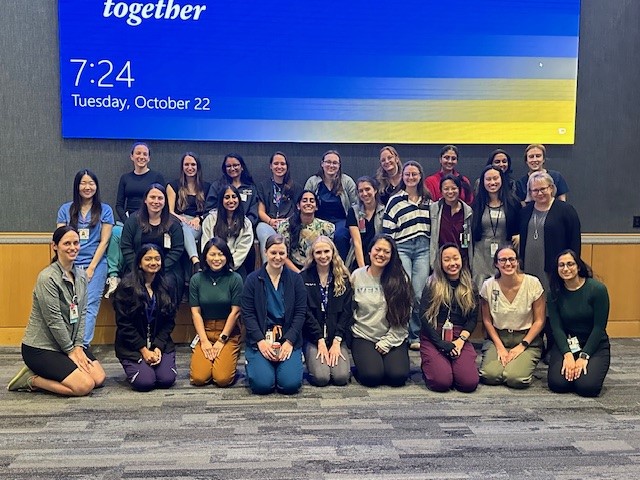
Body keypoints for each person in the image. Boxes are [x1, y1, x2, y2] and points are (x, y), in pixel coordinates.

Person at [7, 226, 106, 395]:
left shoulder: (81, 275)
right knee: (84, 386)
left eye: (76, 243)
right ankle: (31, 380)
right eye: (67, 243)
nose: (73, 247)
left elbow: (82, 313)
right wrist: (70, 351)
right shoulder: (47, 278)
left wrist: (79, 347)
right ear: (55, 246)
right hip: (41, 348)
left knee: (98, 378)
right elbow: (54, 321)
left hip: (68, 344)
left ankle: (63, 367)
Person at [241, 234, 307, 394]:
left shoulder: (296, 280)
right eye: (273, 253)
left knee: (289, 385)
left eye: (281, 253)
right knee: (262, 385)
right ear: (265, 252)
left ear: (287, 254)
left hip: (287, 339)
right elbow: (247, 315)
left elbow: (300, 313)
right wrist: (260, 341)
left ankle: (291, 362)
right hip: (261, 338)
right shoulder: (252, 280)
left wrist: (290, 341)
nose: (277, 257)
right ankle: (255, 363)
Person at [57, 169, 114, 347]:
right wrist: (67, 267)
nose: (87, 187)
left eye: (91, 183)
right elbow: (60, 239)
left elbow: (104, 241)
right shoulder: (65, 209)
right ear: (77, 186)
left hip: (95, 264)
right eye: (83, 183)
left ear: (96, 186)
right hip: (69, 264)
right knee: (68, 305)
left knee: (89, 306)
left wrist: (91, 268)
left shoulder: (105, 210)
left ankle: (83, 346)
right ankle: (67, 345)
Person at [112, 244, 178, 391]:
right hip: (133, 346)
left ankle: (155, 362)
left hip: (159, 343)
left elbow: (170, 320)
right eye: (148, 259)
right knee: (145, 383)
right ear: (139, 263)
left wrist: (158, 347)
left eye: (157, 259)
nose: (153, 263)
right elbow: (124, 324)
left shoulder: (168, 285)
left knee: (166, 380)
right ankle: (141, 366)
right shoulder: (127, 286)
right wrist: (144, 350)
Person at [350, 234, 412, 387]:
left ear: (392, 256)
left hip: (392, 335)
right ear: (370, 251)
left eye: (386, 252)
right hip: (363, 335)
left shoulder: (400, 278)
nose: (381, 254)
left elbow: (404, 316)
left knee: (398, 377)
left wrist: (388, 341)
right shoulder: (357, 276)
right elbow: (349, 310)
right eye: (378, 249)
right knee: (372, 377)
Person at [479, 246, 545, 388]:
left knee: (515, 379)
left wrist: (522, 345)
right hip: (499, 338)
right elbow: (487, 320)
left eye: (511, 259)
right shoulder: (488, 286)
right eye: (503, 260)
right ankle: (507, 363)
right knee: (490, 375)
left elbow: (539, 321)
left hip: (526, 339)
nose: (508, 264)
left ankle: (517, 365)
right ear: (496, 264)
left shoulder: (533, 283)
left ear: (518, 262)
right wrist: (500, 346)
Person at [547, 250, 610, 397]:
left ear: (579, 267)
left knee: (587, 387)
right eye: (561, 265)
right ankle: (573, 369)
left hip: (594, 344)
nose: (566, 269)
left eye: (570, 264)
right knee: (558, 384)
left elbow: (599, 327)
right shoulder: (554, 292)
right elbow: (556, 328)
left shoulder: (597, 289)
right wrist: (568, 355)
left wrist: (584, 356)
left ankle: (583, 371)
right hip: (568, 342)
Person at [105, 142, 165, 297]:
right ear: (132, 156)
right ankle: (113, 276)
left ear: (149, 158)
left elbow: (162, 201)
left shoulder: (156, 176)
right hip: (128, 219)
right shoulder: (125, 178)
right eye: (138, 153)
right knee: (115, 232)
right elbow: (119, 205)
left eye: (145, 154)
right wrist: (127, 223)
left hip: (151, 217)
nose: (141, 157)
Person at [383, 161, 432, 350]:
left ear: (420, 176)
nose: (411, 178)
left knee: (419, 294)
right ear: (402, 177)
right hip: (402, 247)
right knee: (404, 290)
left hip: (423, 249)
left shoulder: (428, 200)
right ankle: (400, 332)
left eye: (414, 174)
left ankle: (415, 335)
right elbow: (387, 230)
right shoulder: (395, 200)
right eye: (407, 174)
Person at [419, 243, 479, 393]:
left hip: (459, 336)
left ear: (461, 259)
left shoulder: (470, 285)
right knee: (441, 382)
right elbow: (424, 317)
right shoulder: (431, 284)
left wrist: (460, 342)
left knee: (468, 383)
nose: (452, 263)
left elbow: (472, 319)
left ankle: (451, 366)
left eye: (455, 258)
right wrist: (440, 344)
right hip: (434, 334)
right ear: (440, 263)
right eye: (446, 260)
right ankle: (433, 366)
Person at [189, 238, 243, 387]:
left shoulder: (235, 279)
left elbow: (235, 313)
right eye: (212, 255)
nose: (217, 259)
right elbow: (196, 313)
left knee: (222, 379)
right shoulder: (196, 279)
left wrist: (221, 341)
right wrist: (204, 341)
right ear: (205, 256)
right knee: (199, 378)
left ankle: (229, 356)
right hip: (204, 331)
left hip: (228, 331)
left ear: (227, 256)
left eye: (221, 254)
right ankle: (212, 360)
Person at [301, 236, 353, 386]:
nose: (323, 256)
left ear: (333, 252)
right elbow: (305, 313)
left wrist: (337, 341)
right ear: (312, 255)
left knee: (341, 378)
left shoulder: (343, 278)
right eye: (318, 252)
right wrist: (320, 340)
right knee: (322, 378)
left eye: (326, 251)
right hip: (313, 337)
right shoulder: (303, 278)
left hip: (337, 336)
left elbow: (347, 312)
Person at [121, 183, 186, 299]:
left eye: (160, 198)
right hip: (137, 268)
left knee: (168, 285)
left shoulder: (174, 223)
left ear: (165, 201)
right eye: (152, 197)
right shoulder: (133, 221)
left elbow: (177, 249)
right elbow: (126, 247)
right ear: (145, 200)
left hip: (166, 269)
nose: (156, 201)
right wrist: (139, 267)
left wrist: (159, 268)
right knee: (130, 286)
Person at [471, 165, 522, 289]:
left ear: (502, 180)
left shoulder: (513, 202)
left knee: (504, 287)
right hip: (481, 253)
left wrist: (520, 235)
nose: (492, 182)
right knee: (481, 290)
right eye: (488, 179)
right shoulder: (477, 203)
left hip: (505, 251)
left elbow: (521, 225)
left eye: (495, 178)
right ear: (482, 182)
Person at [304, 150, 357, 260]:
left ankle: (341, 269)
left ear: (339, 165)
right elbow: (304, 201)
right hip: (318, 221)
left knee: (340, 237)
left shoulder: (347, 182)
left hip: (342, 221)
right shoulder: (313, 182)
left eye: (335, 163)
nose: (331, 165)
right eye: (328, 162)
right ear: (322, 164)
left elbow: (355, 205)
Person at [166, 152, 211, 275]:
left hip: (198, 224)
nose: (190, 168)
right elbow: (169, 211)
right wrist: (180, 218)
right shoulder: (173, 185)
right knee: (182, 229)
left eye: (193, 164)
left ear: (198, 167)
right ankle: (196, 261)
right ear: (182, 167)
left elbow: (212, 210)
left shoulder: (207, 187)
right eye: (186, 164)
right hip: (177, 221)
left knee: (185, 231)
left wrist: (199, 218)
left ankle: (194, 263)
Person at [256, 152, 302, 262]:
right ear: (270, 166)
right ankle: (267, 269)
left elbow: (299, 210)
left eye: (282, 164)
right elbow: (260, 211)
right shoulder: (263, 186)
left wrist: (286, 222)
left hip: (289, 223)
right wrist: (271, 221)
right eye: (276, 164)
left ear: (287, 166)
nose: (279, 167)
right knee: (264, 233)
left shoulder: (296, 187)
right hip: (267, 223)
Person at [201, 185, 254, 279]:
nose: (231, 201)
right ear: (221, 200)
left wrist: (228, 267)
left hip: (234, 267)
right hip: (212, 264)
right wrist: (213, 263)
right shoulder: (210, 219)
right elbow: (205, 245)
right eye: (226, 197)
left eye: (234, 197)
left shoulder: (246, 223)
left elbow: (243, 250)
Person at [276, 190, 335, 272]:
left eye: (312, 201)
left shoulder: (327, 227)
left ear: (316, 206)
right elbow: (282, 255)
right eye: (304, 201)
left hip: (318, 268)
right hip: (292, 270)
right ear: (298, 206)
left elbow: (328, 255)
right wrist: (300, 274)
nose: (308, 203)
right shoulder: (285, 226)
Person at [429, 174, 474, 269]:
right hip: (440, 262)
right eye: (446, 189)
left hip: (461, 261)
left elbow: (467, 241)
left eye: (454, 188)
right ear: (441, 191)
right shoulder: (433, 209)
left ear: (459, 190)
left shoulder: (468, 212)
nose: (450, 192)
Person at [205, 153, 259, 227]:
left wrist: (242, 225)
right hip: (220, 227)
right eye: (228, 166)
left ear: (242, 167)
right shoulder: (217, 186)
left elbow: (253, 213)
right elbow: (209, 210)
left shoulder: (251, 188)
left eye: (235, 165)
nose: (232, 168)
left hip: (244, 228)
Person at [345, 176, 385, 270]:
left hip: (378, 256)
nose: (364, 193)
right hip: (359, 257)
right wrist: (362, 270)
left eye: (367, 189)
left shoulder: (385, 211)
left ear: (375, 190)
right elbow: (357, 242)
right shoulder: (353, 211)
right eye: (361, 191)